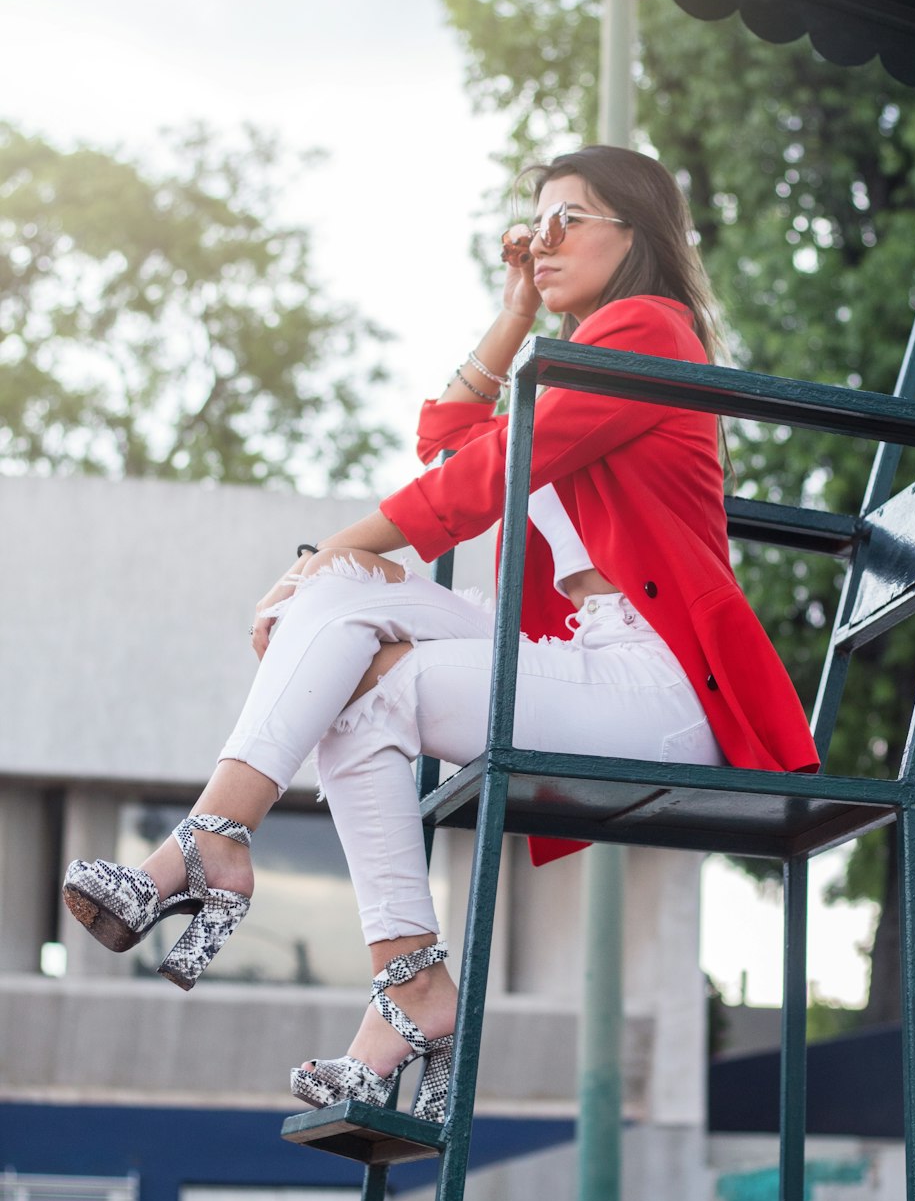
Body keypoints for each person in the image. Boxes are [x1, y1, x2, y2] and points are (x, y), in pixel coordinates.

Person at [62, 145, 818, 1123]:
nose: (537, 243)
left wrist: (313, 552)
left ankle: (311, 926)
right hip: (577, 658)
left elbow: (469, 483)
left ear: (635, 238)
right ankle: (240, 853)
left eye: (563, 223)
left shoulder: (649, 331)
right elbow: (454, 440)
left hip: (657, 689)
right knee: (341, 599)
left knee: (362, 660)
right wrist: (512, 315)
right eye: (529, 226)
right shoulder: (576, 362)